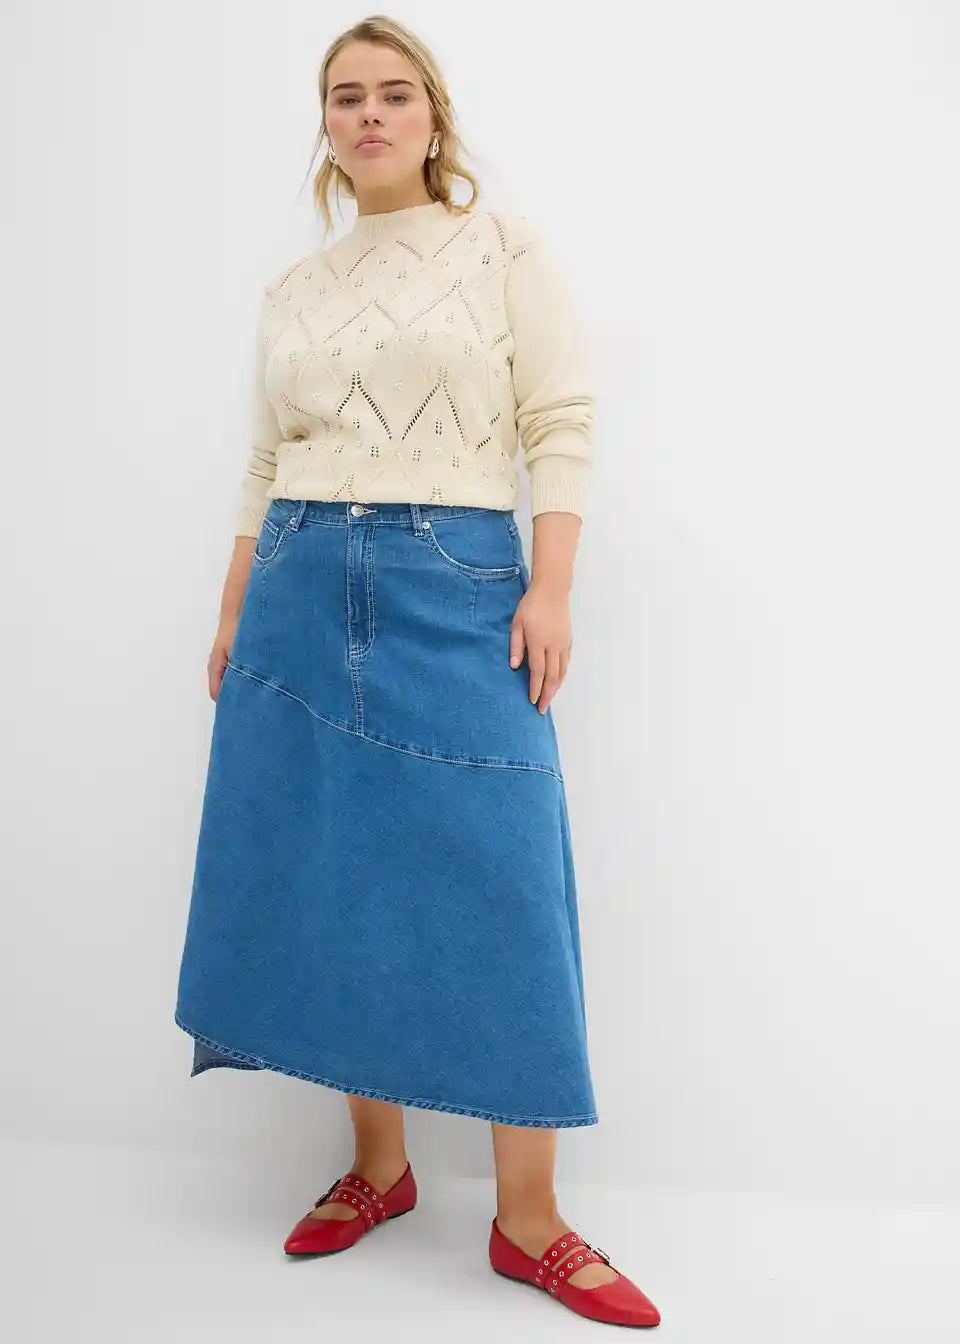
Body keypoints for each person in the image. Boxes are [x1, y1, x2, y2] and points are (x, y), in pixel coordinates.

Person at [173, 13, 660, 1330]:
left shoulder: (503, 247)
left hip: (460, 582)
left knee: (504, 884)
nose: (372, 114)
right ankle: (380, 1170)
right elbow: (265, 461)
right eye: (347, 97)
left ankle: (529, 1219)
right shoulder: (295, 286)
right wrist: (232, 610)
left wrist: (551, 586)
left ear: (434, 115)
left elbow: (560, 419)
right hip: (295, 580)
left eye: (396, 93)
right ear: (326, 125)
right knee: (337, 869)